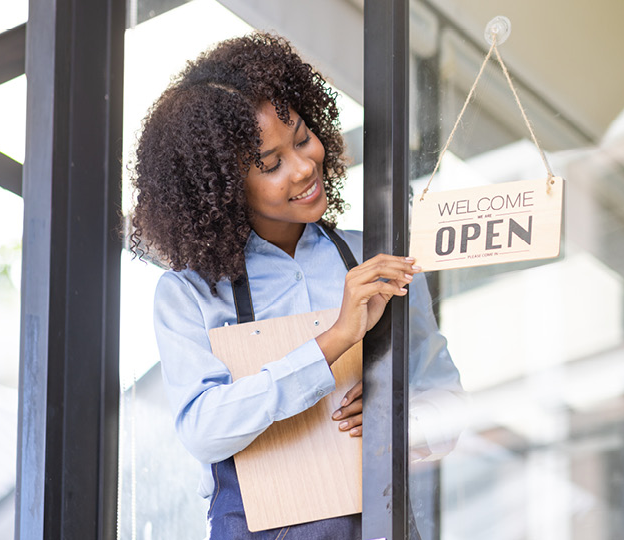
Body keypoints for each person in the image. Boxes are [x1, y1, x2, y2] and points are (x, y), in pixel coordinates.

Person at [129, 32, 463, 540]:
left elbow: (448, 407)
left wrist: (397, 421)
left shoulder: (381, 265)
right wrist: (335, 339)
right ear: (220, 188)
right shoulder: (191, 295)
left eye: (303, 138)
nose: (306, 166)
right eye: (271, 163)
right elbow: (204, 429)